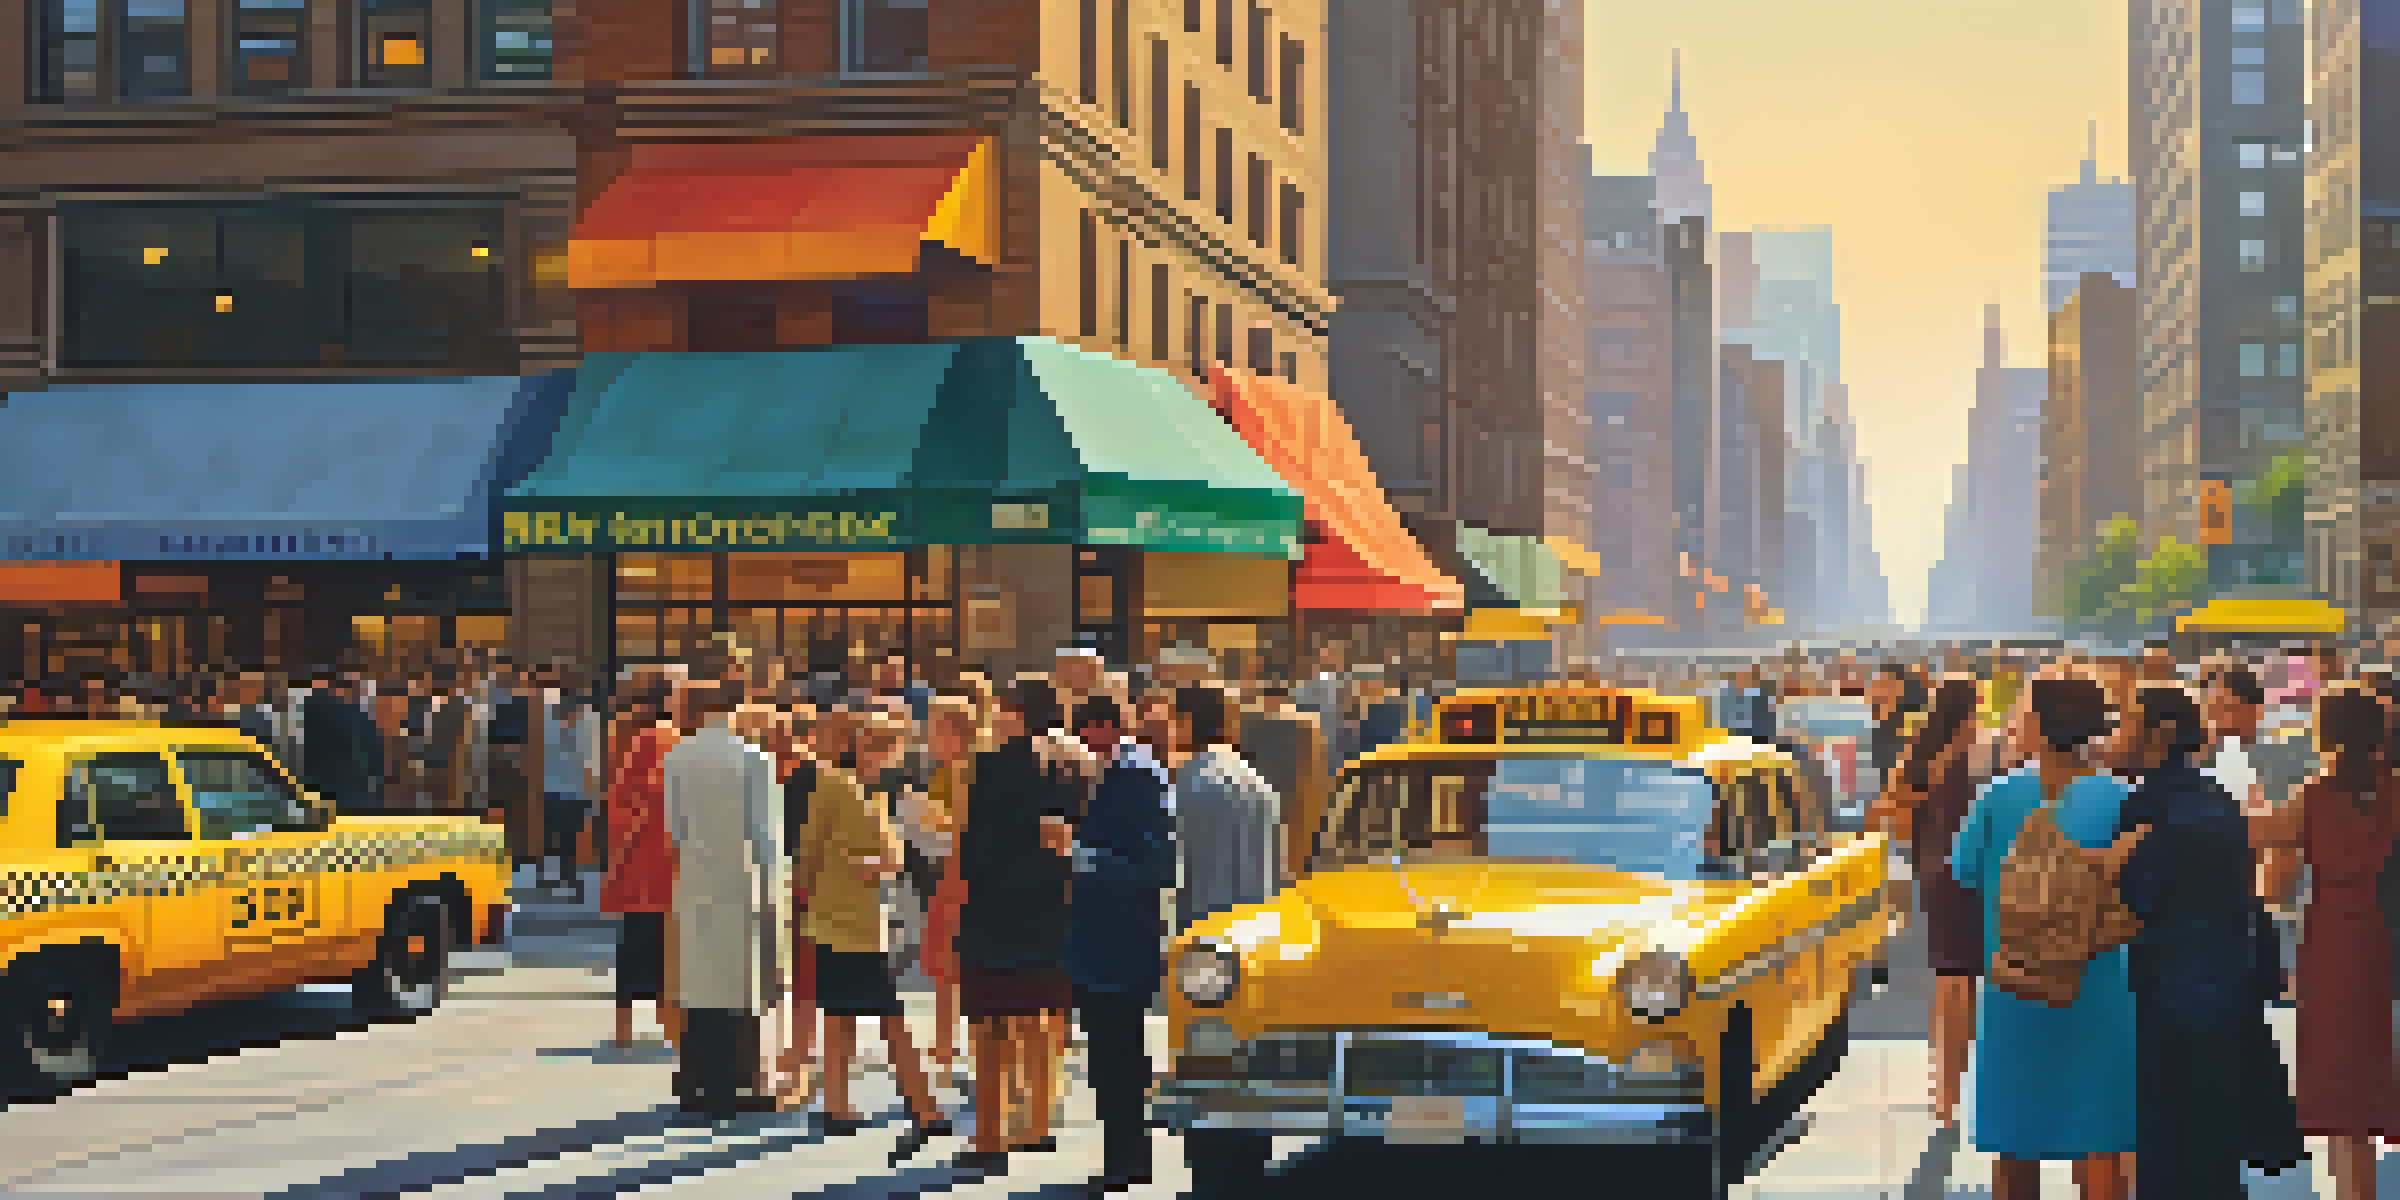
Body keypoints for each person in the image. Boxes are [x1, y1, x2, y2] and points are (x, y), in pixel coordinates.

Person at [1951, 674, 2145, 1200]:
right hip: (2097, 981)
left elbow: (1965, 870)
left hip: (2014, 979)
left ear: (2040, 726)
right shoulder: (2122, 798)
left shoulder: (1998, 794)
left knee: (2016, 1135)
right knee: (2101, 1136)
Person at [2116, 684, 2304, 1198]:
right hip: (2226, 987)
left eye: (2129, 721)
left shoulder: (2147, 807)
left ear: (2159, 734)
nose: (2117, 733)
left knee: (2168, 1142)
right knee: (2213, 1144)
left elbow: (2134, 903)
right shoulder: (2218, 800)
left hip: (2167, 990)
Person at [2250, 685, 2400, 1200]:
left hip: (2333, 942)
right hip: (2386, 938)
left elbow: (2264, 853)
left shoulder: (2314, 796)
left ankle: (2351, 1192)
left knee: (2339, 1085)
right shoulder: (2396, 791)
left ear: (2327, 733)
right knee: (2380, 1067)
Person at [795, 711, 951, 1160]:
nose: (890, 756)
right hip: (839, 918)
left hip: (864, 920)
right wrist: (806, 903)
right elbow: (810, 851)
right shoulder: (835, 786)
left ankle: (841, 1107)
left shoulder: (874, 793)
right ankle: (921, 1109)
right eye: (886, 746)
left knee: (849, 1015)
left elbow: (894, 853)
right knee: (885, 1016)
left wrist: (881, 863)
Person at [953, 679, 1076, 1173]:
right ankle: (1038, 1122)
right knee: (1040, 1016)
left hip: (995, 907)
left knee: (990, 1025)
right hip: (1049, 906)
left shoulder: (990, 765)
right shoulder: (1072, 764)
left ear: (1016, 712)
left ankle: (989, 1134)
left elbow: (972, 846)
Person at [662, 669, 788, 1121]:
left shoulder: (677, 757)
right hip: (742, 878)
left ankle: (698, 1082)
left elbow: (674, 831)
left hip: (695, 879)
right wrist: (775, 886)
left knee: (698, 983)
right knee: (741, 984)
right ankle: (741, 1081)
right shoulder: (753, 757)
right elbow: (764, 832)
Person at [1066, 695, 1174, 1195]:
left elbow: (1151, 864)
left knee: (1115, 1058)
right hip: (1111, 938)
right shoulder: (1132, 773)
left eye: (1084, 732)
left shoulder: (1133, 777)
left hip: (1117, 938)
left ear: (1105, 728)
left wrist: (1077, 853)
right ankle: (1126, 1158)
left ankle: (1125, 1160)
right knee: (1116, 1057)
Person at [1879, 675, 1982, 1128]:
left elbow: (1893, 815)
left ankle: (1943, 1091)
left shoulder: (1918, 755)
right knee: (1970, 981)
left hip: (1934, 877)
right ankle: (1960, 1081)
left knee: (1946, 980)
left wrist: (1922, 801)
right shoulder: (1982, 756)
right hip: (1975, 876)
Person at [600, 676, 680, 1051]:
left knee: (633, 948)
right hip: (671, 862)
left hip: (637, 862)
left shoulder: (633, 743)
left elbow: (617, 802)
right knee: (670, 952)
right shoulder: (677, 742)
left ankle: (624, 1031)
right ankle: (670, 1029)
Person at [1173, 685, 1284, 931]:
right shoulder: (1259, 783)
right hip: (1256, 930)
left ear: (1186, 722)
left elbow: (1174, 871)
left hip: (1202, 936)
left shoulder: (1183, 785)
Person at [919, 696, 978, 1084]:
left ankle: (971, 1047)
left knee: (966, 964)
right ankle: (944, 1044)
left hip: (970, 876)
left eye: (936, 728)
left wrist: (939, 824)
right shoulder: (945, 771)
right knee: (944, 964)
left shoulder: (973, 771)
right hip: (949, 873)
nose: (928, 735)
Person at [541, 677, 602, 898]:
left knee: (559, 836)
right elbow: (592, 758)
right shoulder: (588, 719)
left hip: (557, 788)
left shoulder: (548, 718)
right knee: (569, 836)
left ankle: (564, 877)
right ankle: (570, 878)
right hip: (574, 789)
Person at [301, 670, 385, 814]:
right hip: (353, 794)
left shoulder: (312, 710)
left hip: (317, 790)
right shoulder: (361, 717)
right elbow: (375, 758)